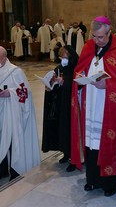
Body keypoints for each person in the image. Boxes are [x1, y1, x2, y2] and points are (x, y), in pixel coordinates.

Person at [70, 16, 116, 196]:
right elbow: (79, 69)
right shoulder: (89, 47)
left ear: (110, 32)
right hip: (90, 103)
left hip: (108, 106)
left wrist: (108, 85)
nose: (97, 41)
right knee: (91, 142)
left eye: (101, 37)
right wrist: (81, 79)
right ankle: (93, 179)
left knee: (109, 140)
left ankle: (110, 182)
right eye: (94, 37)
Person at [0, 46, 41, 180]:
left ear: (5, 58)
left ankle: (15, 170)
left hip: (12, 113)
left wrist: (10, 93)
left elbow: (26, 92)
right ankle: (2, 170)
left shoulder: (15, 72)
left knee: (13, 141)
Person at [42, 45, 79, 172]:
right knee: (63, 130)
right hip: (61, 106)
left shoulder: (76, 69)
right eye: (61, 57)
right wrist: (50, 86)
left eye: (65, 56)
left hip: (73, 107)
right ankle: (66, 153)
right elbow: (54, 89)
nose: (63, 59)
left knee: (71, 131)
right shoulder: (59, 68)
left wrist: (64, 82)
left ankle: (74, 158)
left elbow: (77, 86)